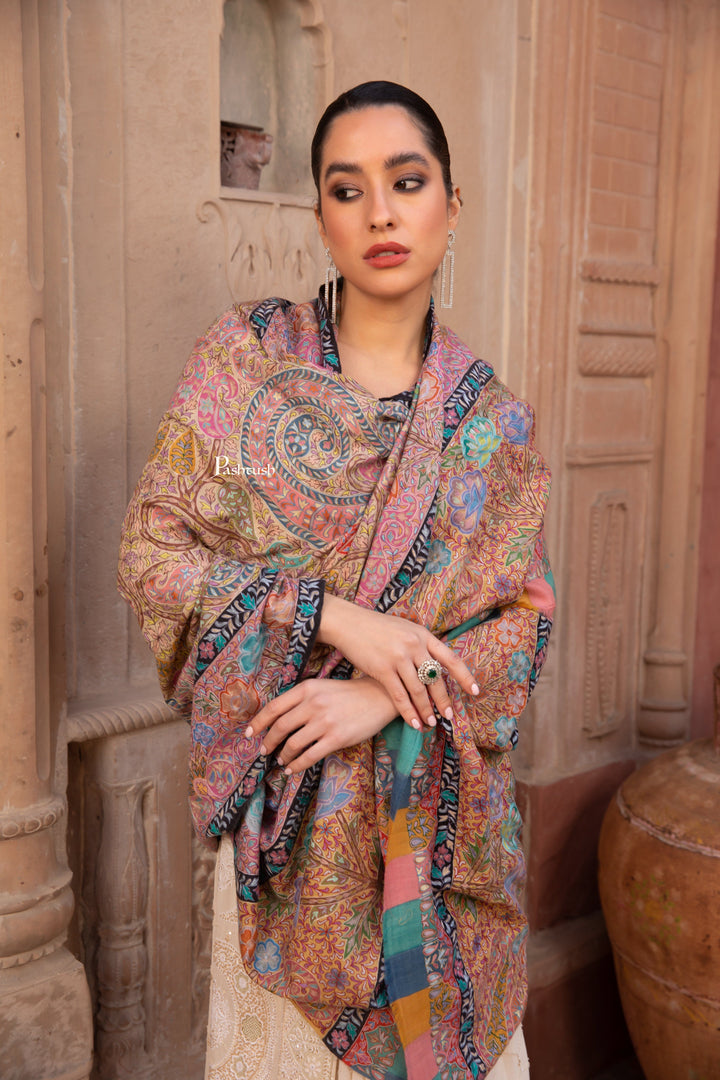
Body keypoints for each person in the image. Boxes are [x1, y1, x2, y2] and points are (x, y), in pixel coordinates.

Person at [118, 81, 555, 1080]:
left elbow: (523, 627)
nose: (381, 214)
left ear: (453, 203)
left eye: (408, 182)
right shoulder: (247, 363)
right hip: (289, 839)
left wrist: (385, 695)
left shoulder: (494, 427)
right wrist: (333, 617)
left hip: (436, 846)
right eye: (348, 190)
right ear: (321, 217)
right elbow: (153, 557)